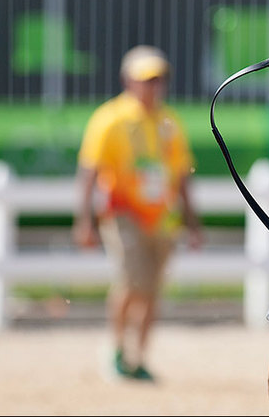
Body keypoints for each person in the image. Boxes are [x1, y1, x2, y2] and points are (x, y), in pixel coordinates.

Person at [73, 45, 203, 381]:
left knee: (153, 289)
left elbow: (180, 175)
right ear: (129, 81)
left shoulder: (169, 121)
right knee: (131, 283)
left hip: (161, 218)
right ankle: (116, 348)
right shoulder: (110, 118)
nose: (154, 86)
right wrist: (83, 220)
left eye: (159, 79)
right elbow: (89, 172)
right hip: (123, 215)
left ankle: (139, 356)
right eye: (147, 79)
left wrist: (192, 222)